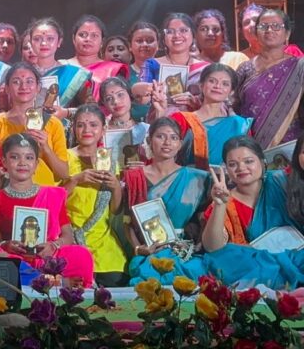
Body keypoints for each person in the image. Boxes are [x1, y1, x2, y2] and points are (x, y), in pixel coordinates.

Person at [0, 133, 95, 286]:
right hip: (18, 260)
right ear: (4, 163)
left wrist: (53, 246)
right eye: (14, 157)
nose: (22, 163)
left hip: (49, 258)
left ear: (36, 164)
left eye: (29, 158)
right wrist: (3, 245)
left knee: (81, 254)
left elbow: (67, 235)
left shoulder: (52, 195)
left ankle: (43, 280)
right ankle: (55, 282)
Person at [197, 136, 304, 288]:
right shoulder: (225, 201)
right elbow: (213, 248)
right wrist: (220, 204)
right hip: (255, 267)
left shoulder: (282, 182)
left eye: (248, 161)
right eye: (232, 164)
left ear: (262, 162)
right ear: (226, 169)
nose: (241, 168)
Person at [125, 117, 210, 285]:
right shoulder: (135, 177)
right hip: (151, 251)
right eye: (160, 136)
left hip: (186, 252)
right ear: (149, 141)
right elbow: (126, 221)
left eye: (173, 137)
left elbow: (203, 218)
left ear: (180, 144)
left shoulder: (197, 178)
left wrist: (199, 244)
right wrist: (138, 249)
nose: (167, 142)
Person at [63, 105, 127, 286]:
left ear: (103, 129)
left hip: (102, 239)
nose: (87, 130)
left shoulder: (109, 161)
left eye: (93, 125)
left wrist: (116, 187)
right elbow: (53, 202)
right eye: (81, 125)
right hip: (70, 235)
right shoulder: (64, 157)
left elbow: (115, 210)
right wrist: (76, 180)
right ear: (74, 129)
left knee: (115, 280)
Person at [0, 62, 69, 186]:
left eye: (29, 81)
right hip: (11, 193)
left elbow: (64, 174)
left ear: (38, 87)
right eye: (16, 82)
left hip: (44, 194)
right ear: (7, 88)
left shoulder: (53, 124)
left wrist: (46, 148)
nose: (23, 86)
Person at [235, 9, 303, 148]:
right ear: (256, 33)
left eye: (276, 26)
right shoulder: (245, 69)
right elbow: (232, 106)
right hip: (250, 148)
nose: (269, 30)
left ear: (287, 33)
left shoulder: (299, 67)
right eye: (263, 26)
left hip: (290, 148)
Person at [172, 63, 252, 169]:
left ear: (231, 91)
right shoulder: (181, 119)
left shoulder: (240, 125)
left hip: (228, 178)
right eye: (212, 81)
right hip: (188, 178)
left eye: (225, 84)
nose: (217, 86)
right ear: (201, 85)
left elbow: (247, 159)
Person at [141, 13, 209, 113]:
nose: (177, 35)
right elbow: (142, 99)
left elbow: (212, 105)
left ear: (193, 35)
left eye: (183, 30)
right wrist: (147, 89)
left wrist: (195, 102)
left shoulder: (205, 68)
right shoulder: (152, 64)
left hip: (195, 121)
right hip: (160, 120)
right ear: (164, 37)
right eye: (170, 32)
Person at [27, 18, 92, 114]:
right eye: (37, 39)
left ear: (59, 42)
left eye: (50, 39)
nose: (44, 43)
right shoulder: (23, 73)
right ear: (30, 42)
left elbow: (91, 109)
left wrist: (66, 112)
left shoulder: (75, 75)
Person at [64, 15, 130, 99]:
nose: (88, 39)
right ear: (74, 39)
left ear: (102, 42)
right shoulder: (61, 66)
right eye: (82, 35)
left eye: (94, 35)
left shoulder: (112, 70)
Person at [239, 3, 304, 59]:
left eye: (256, 20)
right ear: (242, 31)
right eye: (246, 23)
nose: (251, 25)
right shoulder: (238, 58)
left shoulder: (291, 52)